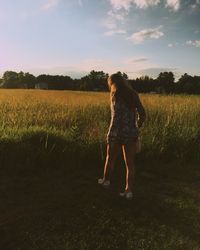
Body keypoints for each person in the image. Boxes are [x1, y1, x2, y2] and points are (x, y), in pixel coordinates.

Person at [98, 73, 146, 200]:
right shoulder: (133, 94)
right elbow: (143, 114)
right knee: (130, 164)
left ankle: (106, 181)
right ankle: (128, 191)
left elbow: (115, 116)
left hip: (115, 132)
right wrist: (137, 126)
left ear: (112, 83)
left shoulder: (114, 95)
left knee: (110, 158)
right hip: (130, 133)